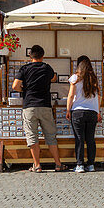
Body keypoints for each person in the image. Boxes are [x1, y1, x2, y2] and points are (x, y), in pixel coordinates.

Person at [12, 44, 64, 172]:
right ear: (42, 56)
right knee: (51, 136)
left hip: (29, 106)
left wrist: (24, 90)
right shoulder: (47, 68)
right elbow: (54, 78)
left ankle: (37, 165)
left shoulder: (25, 69)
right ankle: (58, 164)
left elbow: (15, 86)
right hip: (45, 105)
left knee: (32, 136)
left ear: (30, 56)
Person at [66, 55, 102, 172]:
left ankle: (80, 165)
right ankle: (91, 164)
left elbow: (71, 95)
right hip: (92, 112)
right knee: (90, 139)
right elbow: (98, 96)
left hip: (78, 111)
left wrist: (68, 109)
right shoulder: (94, 79)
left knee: (79, 139)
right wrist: (98, 111)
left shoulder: (75, 78)